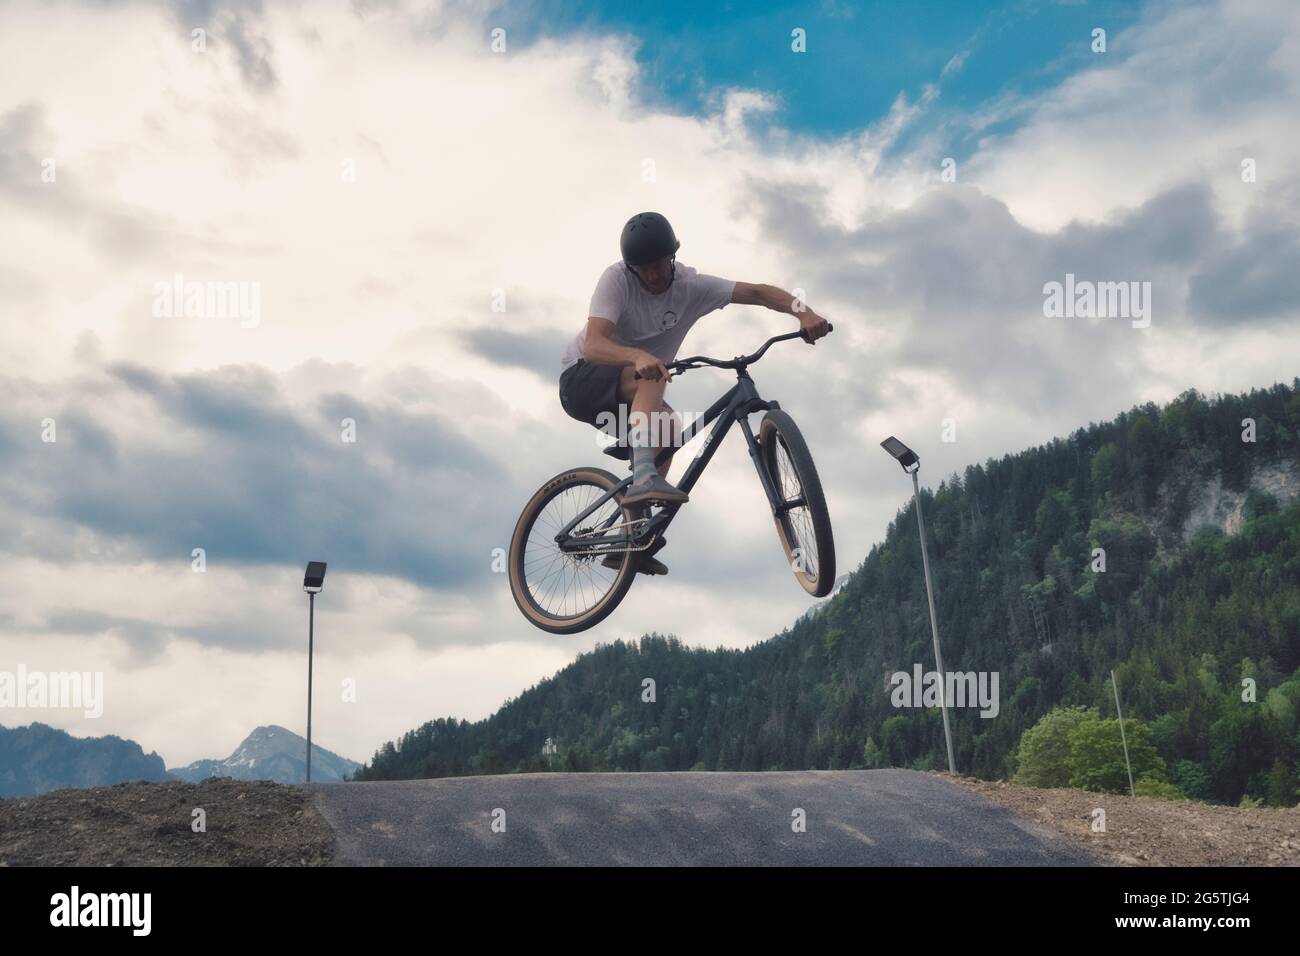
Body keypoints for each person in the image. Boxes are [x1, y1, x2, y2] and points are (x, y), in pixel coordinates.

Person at [558, 211, 830, 574]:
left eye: (659, 266)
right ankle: (643, 477)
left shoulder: (693, 287)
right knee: (654, 373)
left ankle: (631, 535)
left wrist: (805, 314)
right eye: (644, 270)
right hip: (581, 379)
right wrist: (637, 355)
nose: (653, 276)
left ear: (673, 257)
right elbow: (593, 344)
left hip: (631, 389)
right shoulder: (617, 280)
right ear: (631, 268)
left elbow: (759, 293)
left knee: (670, 430)